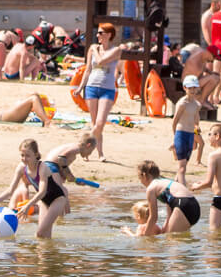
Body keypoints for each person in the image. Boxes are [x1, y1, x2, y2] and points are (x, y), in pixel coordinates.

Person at [81, 23, 132, 160]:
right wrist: (80, 87)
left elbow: (101, 61)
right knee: (95, 123)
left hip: (107, 89)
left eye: (101, 33)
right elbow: (87, 69)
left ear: (109, 35)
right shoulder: (93, 49)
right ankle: (99, 153)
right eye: (97, 32)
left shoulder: (116, 50)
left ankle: (84, 145)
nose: (97, 35)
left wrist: (94, 49)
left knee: (100, 123)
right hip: (92, 86)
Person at [32, 136, 98, 238]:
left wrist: (73, 179)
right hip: (50, 166)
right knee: (61, 194)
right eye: (91, 151)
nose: (89, 154)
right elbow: (61, 158)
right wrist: (69, 175)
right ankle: (63, 218)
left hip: (51, 167)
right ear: (88, 145)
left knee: (62, 193)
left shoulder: (73, 151)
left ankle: (61, 218)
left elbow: (63, 169)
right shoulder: (76, 148)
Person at [191, 122, 221, 229]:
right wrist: (202, 182)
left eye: (210, 134)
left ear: (217, 136)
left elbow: (209, 183)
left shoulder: (213, 155)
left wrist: (196, 187)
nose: (208, 137)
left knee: (214, 231)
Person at [137, 159, 202, 235]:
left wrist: (146, 236)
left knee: (171, 239)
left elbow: (153, 217)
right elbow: (169, 213)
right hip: (194, 206)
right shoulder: (166, 182)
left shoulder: (151, 188)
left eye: (140, 178)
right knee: (172, 237)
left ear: (144, 175)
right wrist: (164, 230)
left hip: (183, 205)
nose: (141, 182)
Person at [168, 85, 202, 178]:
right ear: (185, 88)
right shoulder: (182, 103)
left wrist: (197, 127)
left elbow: (196, 121)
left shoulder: (197, 105)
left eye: (194, 88)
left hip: (190, 134)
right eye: (190, 88)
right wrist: (175, 138)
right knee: (182, 168)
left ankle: (176, 183)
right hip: (181, 133)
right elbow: (174, 122)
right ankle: (182, 187)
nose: (192, 90)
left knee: (183, 167)